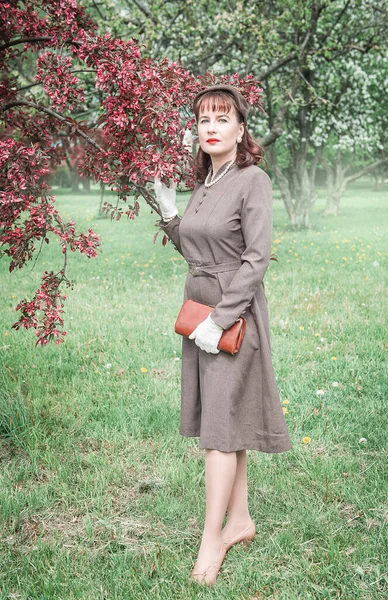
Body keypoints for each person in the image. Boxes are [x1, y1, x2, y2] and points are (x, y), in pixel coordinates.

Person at [154, 84, 292, 586]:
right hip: (201, 314)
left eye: (221, 119)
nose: (210, 128)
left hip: (233, 318)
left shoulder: (252, 180)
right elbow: (201, 252)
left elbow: (255, 259)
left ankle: (212, 539)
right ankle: (240, 521)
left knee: (217, 430)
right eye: (203, 120)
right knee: (225, 420)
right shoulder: (207, 182)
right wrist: (171, 216)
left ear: (240, 129)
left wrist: (222, 318)